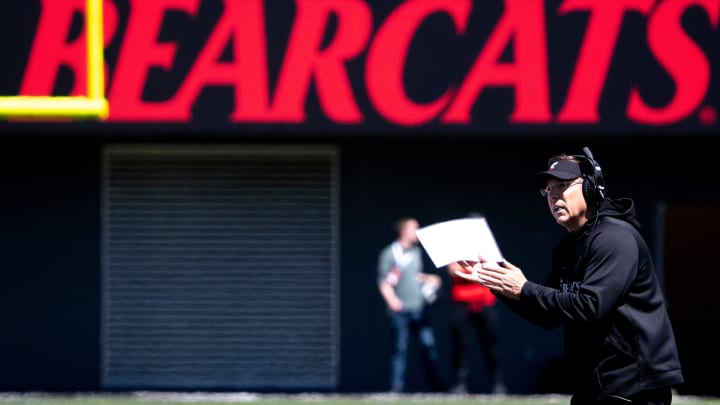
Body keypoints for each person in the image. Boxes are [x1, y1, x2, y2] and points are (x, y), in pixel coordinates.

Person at [456, 148, 684, 404]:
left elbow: (590, 307)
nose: (553, 196)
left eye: (562, 186)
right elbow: (548, 316)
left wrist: (525, 288)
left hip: (633, 386)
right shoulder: (569, 246)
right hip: (595, 385)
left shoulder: (613, 238)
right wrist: (498, 283)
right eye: (548, 190)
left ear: (590, 188)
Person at [377, 217, 445, 393]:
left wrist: (430, 279)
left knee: (428, 347)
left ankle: (436, 387)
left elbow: (415, 275)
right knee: (399, 349)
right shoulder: (389, 253)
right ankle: (396, 387)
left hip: (418, 308)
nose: (418, 232)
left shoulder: (415, 252)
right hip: (399, 311)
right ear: (403, 231)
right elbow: (383, 281)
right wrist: (392, 301)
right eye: (414, 228)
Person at [446, 216, 507, 394]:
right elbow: (452, 270)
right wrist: (477, 269)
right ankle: (459, 385)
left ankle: (497, 384)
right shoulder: (457, 246)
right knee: (460, 346)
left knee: (491, 345)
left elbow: (494, 268)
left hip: (485, 301)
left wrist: (472, 269)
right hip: (461, 302)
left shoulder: (488, 246)